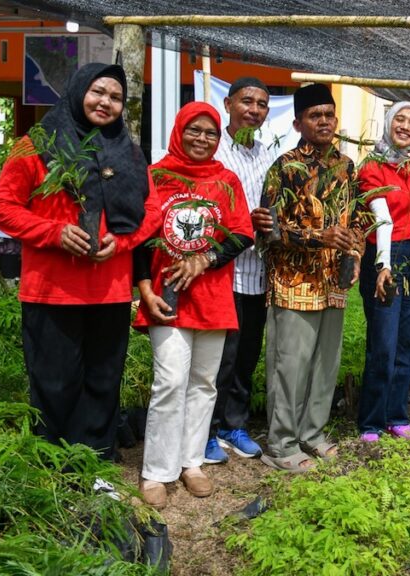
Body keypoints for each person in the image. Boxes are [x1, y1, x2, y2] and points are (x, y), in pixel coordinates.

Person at [0, 63, 161, 461]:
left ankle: (95, 461)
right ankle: (53, 464)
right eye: (99, 92)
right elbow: (2, 208)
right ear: (78, 90)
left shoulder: (130, 152)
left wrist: (121, 242)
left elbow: (151, 211)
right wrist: (55, 232)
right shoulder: (36, 145)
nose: (106, 102)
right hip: (52, 290)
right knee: (54, 382)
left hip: (109, 291)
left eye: (116, 97)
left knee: (103, 380)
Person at [134, 102, 253, 508]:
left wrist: (204, 259)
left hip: (213, 293)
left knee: (204, 383)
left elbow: (242, 233)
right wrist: (144, 286)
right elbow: (137, 235)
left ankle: (192, 462)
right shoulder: (156, 176)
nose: (202, 139)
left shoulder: (226, 180)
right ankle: (156, 471)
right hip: (166, 295)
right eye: (194, 130)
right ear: (178, 130)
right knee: (169, 381)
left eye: (211, 133)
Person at [258, 83, 362, 472]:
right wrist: (319, 236)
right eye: (315, 115)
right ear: (299, 121)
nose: (324, 121)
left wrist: (355, 250)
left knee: (324, 365)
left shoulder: (345, 167)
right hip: (293, 280)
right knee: (291, 365)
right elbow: (268, 231)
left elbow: (356, 220)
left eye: (329, 115)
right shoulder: (284, 167)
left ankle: (313, 434)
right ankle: (281, 444)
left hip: (334, 281)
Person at [204, 77, 275, 465]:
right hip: (222, 271)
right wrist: (243, 221)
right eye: (247, 101)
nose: (254, 109)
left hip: (258, 271)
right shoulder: (213, 153)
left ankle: (234, 423)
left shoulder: (267, 155)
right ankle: (208, 430)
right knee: (221, 356)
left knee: (247, 353)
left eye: (262, 104)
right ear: (228, 103)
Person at [357, 102, 410, 441]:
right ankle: (371, 420)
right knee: (383, 343)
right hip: (385, 255)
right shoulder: (372, 167)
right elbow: (382, 218)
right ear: (387, 123)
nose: (405, 126)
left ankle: (396, 415)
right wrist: (384, 265)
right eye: (399, 119)